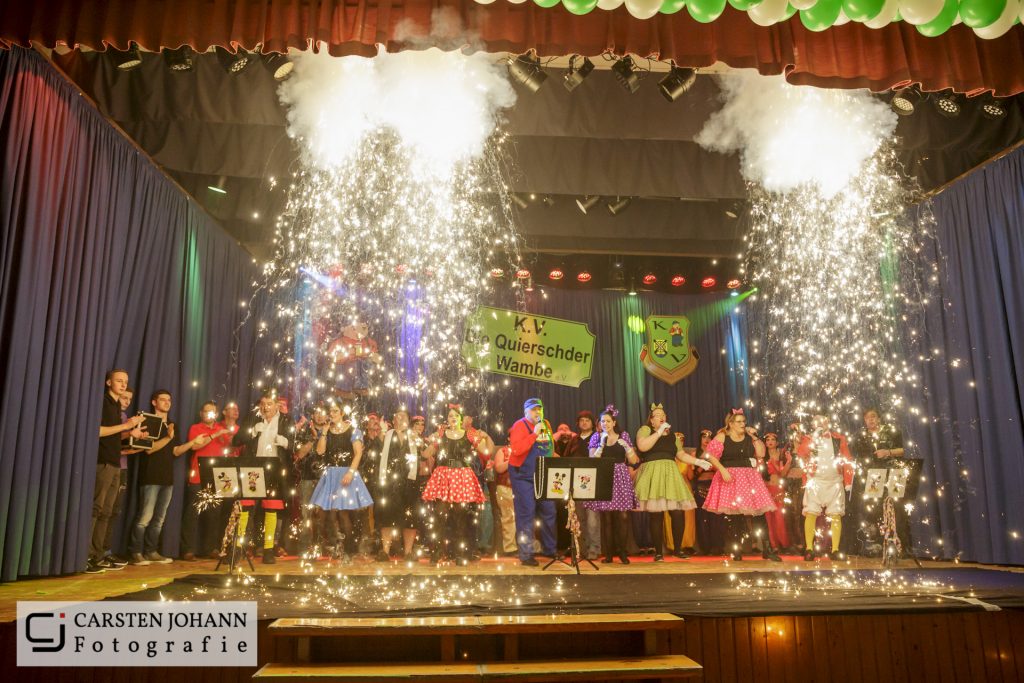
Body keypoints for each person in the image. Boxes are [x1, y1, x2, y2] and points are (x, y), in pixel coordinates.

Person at [130, 390, 211, 565]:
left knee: (159, 519)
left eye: (169, 400)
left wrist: (193, 442)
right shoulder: (148, 421)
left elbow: (176, 451)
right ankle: (136, 552)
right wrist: (168, 437)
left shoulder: (172, 425)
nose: (167, 403)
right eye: (163, 400)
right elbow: (149, 449)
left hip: (167, 478)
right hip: (150, 475)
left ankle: (151, 551)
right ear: (154, 402)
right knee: (145, 518)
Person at [702, 409, 782, 562]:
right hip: (731, 477)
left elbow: (761, 453)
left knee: (759, 514)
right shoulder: (722, 436)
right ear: (731, 424)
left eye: (744, 421)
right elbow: (711, 456)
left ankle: (767, 549)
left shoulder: (749, 437)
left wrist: (754, 436)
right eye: (738, 422)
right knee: (735, 516)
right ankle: (736, 549)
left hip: (748, 477)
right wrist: (722, 470)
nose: (742, 424)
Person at [634, 404, 709, 561]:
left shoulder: (673, 437)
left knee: (677, 512)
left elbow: (681, 454)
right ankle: (658, 553)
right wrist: (659, 432)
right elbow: (643, 446)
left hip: (670, 473)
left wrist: (698, 461)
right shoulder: (645, 430)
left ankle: (678, 549)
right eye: (657, 415)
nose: (661, 417)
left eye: (663, 415)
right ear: (651, 420)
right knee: (656, 514)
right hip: (653, 473)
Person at [90, 369, 147, 574]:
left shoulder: (115, 406)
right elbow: (98, 431)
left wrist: (131, 433)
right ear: (108, 382)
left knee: (107, 511)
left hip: (115, 463)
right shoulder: (104, 403)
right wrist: (127, 426)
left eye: (125, 381)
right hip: (103, 462)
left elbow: (114, 434)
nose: (123, 384)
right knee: (97, 509)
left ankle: (98, 555)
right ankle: (88, 555)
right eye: (119, 381)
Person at [232, 391, 296, 564]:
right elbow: (236, 441)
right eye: (263, 403)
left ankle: (268, 550)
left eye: (269, 404)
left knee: (271, 508)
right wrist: (252, 432)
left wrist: (284, 441)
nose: (265, 407)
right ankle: (237, 548)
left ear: (277, 405)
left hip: (275, 468)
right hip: (253, 466)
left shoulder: (286, 420)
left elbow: (294, 444)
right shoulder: (252, 418)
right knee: (245, 506)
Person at [421, 405, 488, 565]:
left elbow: (485, 451)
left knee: (461, 516)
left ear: (461, 419)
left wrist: (484, 437)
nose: (453, 418)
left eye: (456, 416)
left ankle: (460, 553)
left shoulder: (468, 434)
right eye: (450, 416)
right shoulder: (441, 434)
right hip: (444, 475)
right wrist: (428, 440)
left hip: (462, 475)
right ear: (447, 419)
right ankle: (437, 552)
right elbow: (426, 454)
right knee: (440, 514)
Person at [309, 403, 373, 562]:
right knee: (327, 513)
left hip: (346, 473)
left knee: (344, 513)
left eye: (335, 411)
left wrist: (351, 472)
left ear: (342, 413)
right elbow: (320, 451)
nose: (332, 414)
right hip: (331, 474)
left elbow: (358, 453)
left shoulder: (353, 430)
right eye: (330, 411)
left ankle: (349, 549)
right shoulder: (326, 431)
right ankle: (333, 547)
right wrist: (324, 433)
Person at [581, 406, 638, 564]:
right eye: (602, 421)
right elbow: (592, 461)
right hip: (604, 475)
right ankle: (608, 555)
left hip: (620, 476)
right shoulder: (596, 437)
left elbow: (634, 461)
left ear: (614, 423)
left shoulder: (624, 435)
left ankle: (623, 552)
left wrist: (627, 448)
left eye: (608, 421)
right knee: (606, 518)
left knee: (623, 516)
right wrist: (601, 445)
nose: (605, 424)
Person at [180, 401, 235, 561]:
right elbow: (195, 447)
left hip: (217, 477)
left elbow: (229, 447)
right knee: (192, 513)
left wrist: (229, 435)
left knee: (214, 515)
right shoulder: (196, 428)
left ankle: (210, 548)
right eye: (207, 411)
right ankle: (188, 549)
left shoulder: (221, 429)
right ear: (201, 413)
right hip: (198, 475)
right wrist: (215, 435)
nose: (210, 414)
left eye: (213, 412)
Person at [796, 415, 854, 561]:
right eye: (817, 421)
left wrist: (848, 481)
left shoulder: (839, 438)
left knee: (836, 515)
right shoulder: (809, 438)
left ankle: (835, 550)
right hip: (815, 482)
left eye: (823, 420)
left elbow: (847, 459)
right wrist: (814, 438)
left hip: (835, 482)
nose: (821, 423)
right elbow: (801, 453)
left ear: (828, 422)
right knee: (810, 513)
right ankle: (809, 549)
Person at [507, 398, 557, 566]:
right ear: (526, 412)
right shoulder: (519, 425)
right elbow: (516, 449)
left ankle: (550, 549)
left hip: (543, 473)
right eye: (534, 409)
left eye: (539, 409)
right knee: (526, 512)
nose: (538, 412)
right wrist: (534, 434)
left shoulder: (546, 424)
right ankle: (526, 553)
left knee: (549, 511)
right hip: (523, 475)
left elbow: (550, 447)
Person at [850, 408, 907, 556]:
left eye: (873, 416)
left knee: (896, 507)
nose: (870, 419)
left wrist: (888, 452)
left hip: (895, 473)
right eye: (867, 417)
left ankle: (899, 545)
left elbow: (903, 450)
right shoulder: (861, 436)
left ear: (879, 418)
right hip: (874, 475)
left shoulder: (891, 431)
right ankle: (877, 545)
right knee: (873, 508)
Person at [375, 410, 424, 561]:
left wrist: (419, 440)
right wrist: (382, 430)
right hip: (389, 481)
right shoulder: (387, 434)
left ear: (408, 420)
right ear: (393, 419)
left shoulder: (412, 435)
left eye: (404, 416)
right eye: (397, 415)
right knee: (387, 514)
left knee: (410, 516)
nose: (400, 418)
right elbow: (378, 445)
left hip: (410, 481)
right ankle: (385, 551)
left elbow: (423, 451)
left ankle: (408, 552)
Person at [103, 387, 141, 568]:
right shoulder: (113, 414)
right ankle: (98, 552)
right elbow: (110, 439)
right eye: (124, 397)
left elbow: (120, 439)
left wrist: (135, 439)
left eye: (129, 399)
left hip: (122, 467)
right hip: (109, 464)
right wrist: (127, 433)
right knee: (103, 510)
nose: (127, 401)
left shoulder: (125, 417)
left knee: (114, 510)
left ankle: (105, 550)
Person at [559, 411, 600, 559]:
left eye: (587, 420)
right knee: (578, 518)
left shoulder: (598, 438)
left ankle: (594, 549)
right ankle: (580, 550)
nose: (584, 422)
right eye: (581, 420)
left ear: (593, 423)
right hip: (576, 485)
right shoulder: (573, 440)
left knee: (592, 519)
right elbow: (565, 459)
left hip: (592, 483)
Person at [294, 404, 328, 558]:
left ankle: (321, 545)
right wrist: (314, 438)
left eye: (323, 413)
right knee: (306, 514)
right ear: (312, 416)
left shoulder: (330, 431)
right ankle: (304, 546)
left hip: (325, 479)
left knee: (323, 515)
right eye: (316, 413)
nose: (320, 416)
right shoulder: (304, 432)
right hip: (307, 478)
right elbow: (300, 454)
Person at [691, 429, 724, 556]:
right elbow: (691, 475)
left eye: (709, 437)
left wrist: (713, 464)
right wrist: (702, 465)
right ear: (700, 439)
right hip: (700, 487)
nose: (706, 439)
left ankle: (717, 547)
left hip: (714, 486)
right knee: (702, 518)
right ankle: (705, 548)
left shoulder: (716, 453)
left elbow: (721, 470)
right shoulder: (694, 454)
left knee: (716, 517)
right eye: (704, 437)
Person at [762, 433, 792, 552]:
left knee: (780, 517)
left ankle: (784, 544)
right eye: (767, 440)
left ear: (777, 442)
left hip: (778, 489)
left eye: (773, 439)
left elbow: (782, 473)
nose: (770, 442)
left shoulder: (781, 455)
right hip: (766, 489)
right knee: (769, 519)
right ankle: (774, 546)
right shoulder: (762, 456)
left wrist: (789, 462)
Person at [491, 444, 517, 556]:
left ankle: (526, 547)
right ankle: (510, 548)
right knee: (508, 517)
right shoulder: (503, 451)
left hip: (523, 488)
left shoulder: (527, 450)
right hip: (506, 488)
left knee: (525, 517)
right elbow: (499, 468)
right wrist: (513, 459)